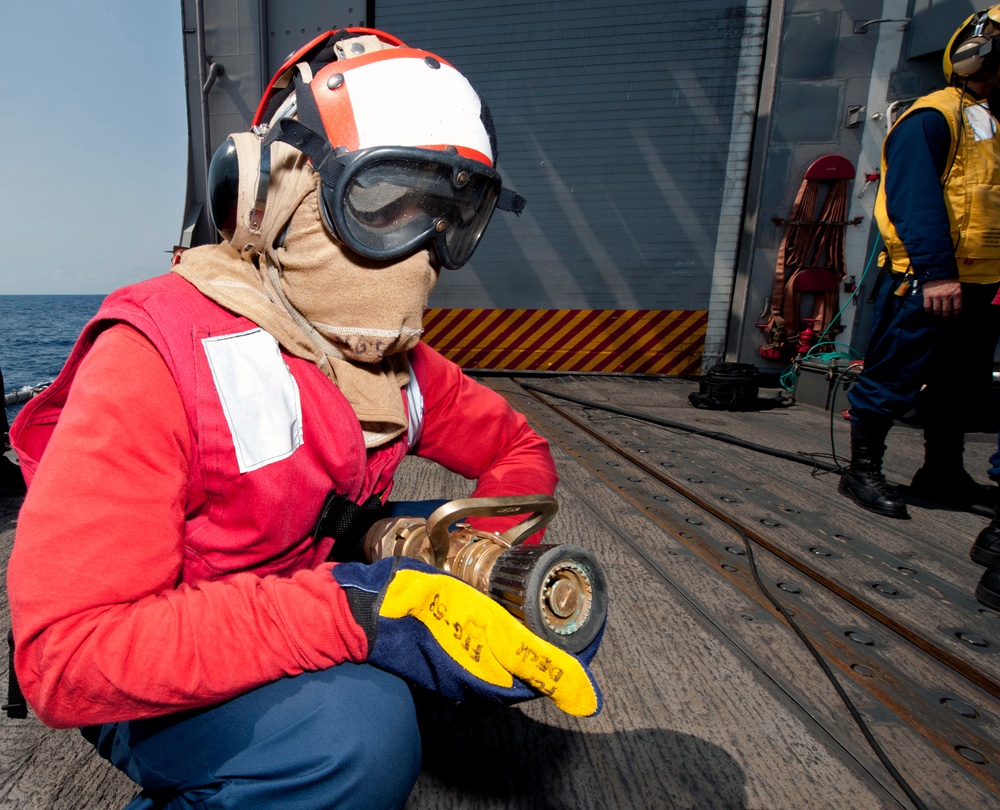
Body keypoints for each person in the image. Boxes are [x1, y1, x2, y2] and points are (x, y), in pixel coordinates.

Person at [5, 29, 602, 809]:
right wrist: (357, 612)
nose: (422, 252)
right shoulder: (157, 356)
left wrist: (479, 564)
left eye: (449, 216)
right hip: (151, 658)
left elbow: (519, 449)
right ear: (270, 193)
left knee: (542, 597)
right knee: (356, 736)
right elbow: (66, 657)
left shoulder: (396, 366)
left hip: (295, 585)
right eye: (385, 203)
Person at [838, 6, 1000, 520]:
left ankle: (942, 471)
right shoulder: (933, 118)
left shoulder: (991, 125)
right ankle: (861, 469)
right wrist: (938, 273)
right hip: (928, 283)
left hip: (980, 284)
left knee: (961, 385)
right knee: (896, 373)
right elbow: (916, 201)